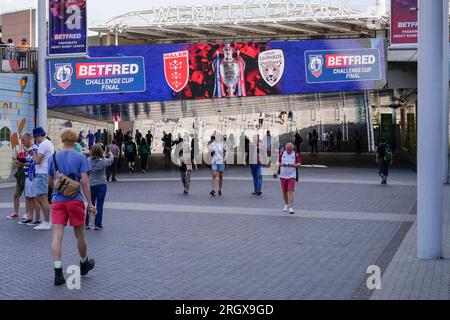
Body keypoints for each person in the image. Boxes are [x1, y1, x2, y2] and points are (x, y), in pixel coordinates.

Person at [48, 128, 96, 286]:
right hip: (75, 200)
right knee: (80, 234)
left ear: (62, 140)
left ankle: (57, 273)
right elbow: (85, 182)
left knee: (57, 236)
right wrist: (89, 203)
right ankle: (83, 264)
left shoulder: (53, 157)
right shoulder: (81, 157)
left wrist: (59, 189)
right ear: (76, 140)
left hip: (58, 200)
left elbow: (50, 181)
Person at [85, 144, 114, 230]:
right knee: (100, 205)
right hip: (101, 184)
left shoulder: (88, 160)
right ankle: (98, 224)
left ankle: (87, 223)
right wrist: (110, 154)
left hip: (90, 184)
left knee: (90, 203)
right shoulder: (104, 161)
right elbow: (111, 160)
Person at [30, 127, 54, 231]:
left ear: (39, 135)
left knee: (43, 198)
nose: (35, 140)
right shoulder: (48, 143)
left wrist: (33, 154)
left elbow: (37, 161)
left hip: (42, 173)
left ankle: (47, 222)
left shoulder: (43, 144)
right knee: (40, 198)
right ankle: (46, 221)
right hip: (45, 173)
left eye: (35, 138)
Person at [7, 134, 34, 221]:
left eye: (23, 140)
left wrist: (19, 163)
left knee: (27, 196)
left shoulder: (34, 149)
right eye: (21, 140)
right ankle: (16, 212)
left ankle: (27, 213)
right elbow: (22, 161)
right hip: (20, 175)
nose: (22, 142)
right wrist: (17, 160)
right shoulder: (24, 149)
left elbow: (32, 163)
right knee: (16, 194)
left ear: (29, 139)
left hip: (28, 175)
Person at [273, 143, 302, 215]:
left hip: (292, 176)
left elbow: (299, 164)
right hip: (283, 176)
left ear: (292, 149)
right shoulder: (282, 153)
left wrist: (292, 165)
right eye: (287, 149)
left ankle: (290, 207)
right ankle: (286, 204)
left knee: (290, 190)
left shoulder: (296, 154)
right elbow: (277, 162)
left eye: (290, 149)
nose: (288, 151)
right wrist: (276, 171)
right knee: (284, 191)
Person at [209, 132, 227, 196]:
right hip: (214, 161)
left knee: (220, 176)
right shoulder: (212, 144)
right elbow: (210, 152)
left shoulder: (223, 144)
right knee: (214, 175)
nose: (218, 137)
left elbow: (226, 152)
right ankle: (213, 190)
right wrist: (211, 152)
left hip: (221, 162)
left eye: (219, 136)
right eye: (217, 136)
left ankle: (220, 189)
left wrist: (225, 158)